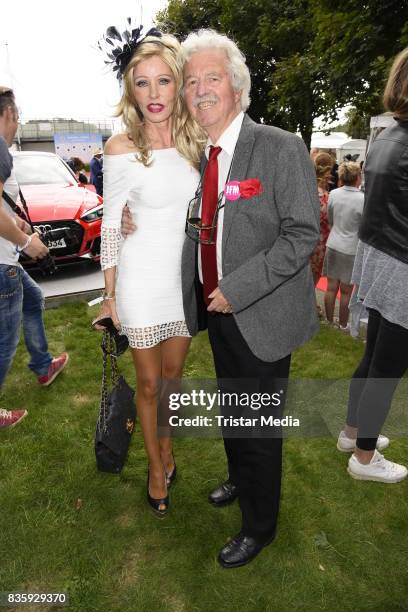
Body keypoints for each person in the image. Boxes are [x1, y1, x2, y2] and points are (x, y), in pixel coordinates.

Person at [179, 30, 320, 567]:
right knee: (235, 413)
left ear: (237, 87)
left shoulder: (279, 146)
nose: (200, 90)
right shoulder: (209, 155)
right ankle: (241, 479)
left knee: (257, 424)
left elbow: (302, 233)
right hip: (219, 314)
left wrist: (237, 290)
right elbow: (210, 226)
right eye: (192, 81)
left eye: (211, 78)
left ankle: (260, 527)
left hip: (259, 311)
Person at [94, 29, 203, 516]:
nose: (154, 94)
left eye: (164, 81)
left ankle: (167, 446)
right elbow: (110, 226)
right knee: (150, 384)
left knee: (174, 379)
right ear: (130, 90)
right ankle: (156, 469)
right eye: (143, 83)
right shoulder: (120, 147)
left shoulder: (197, 140)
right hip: (139, 280)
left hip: (182, 281)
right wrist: (110, 295)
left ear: (178, 83)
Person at [337, 47, 408, 483]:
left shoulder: (388, 138)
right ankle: (364, 458)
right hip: (399, 264)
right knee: (388, 365)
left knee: (374, 357)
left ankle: (352, 433)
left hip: (382, 256)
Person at [0, 87, 69, 431]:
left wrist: (17, 221)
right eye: (18, 117)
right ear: (9, 114)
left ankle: (43, 366)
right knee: (5, 343)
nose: (17, 125)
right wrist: (27, 241)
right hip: (3, 263)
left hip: (5, 260)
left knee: (35, 299)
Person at [323, 161, 364, 329]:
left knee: (331, 287)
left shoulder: (333, 194)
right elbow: (363, 227)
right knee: (346, 291)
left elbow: (330, 219)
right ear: (357, 177)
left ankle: (329, 321)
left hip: (333, 244)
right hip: (351, 248)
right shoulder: (363, 199)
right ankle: (342, 324)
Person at [310, 151, 333, 289]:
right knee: (314, 274)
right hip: (320, 241)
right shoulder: (326, 196)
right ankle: (309, 303)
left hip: (305, 238)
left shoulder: (306, 188)